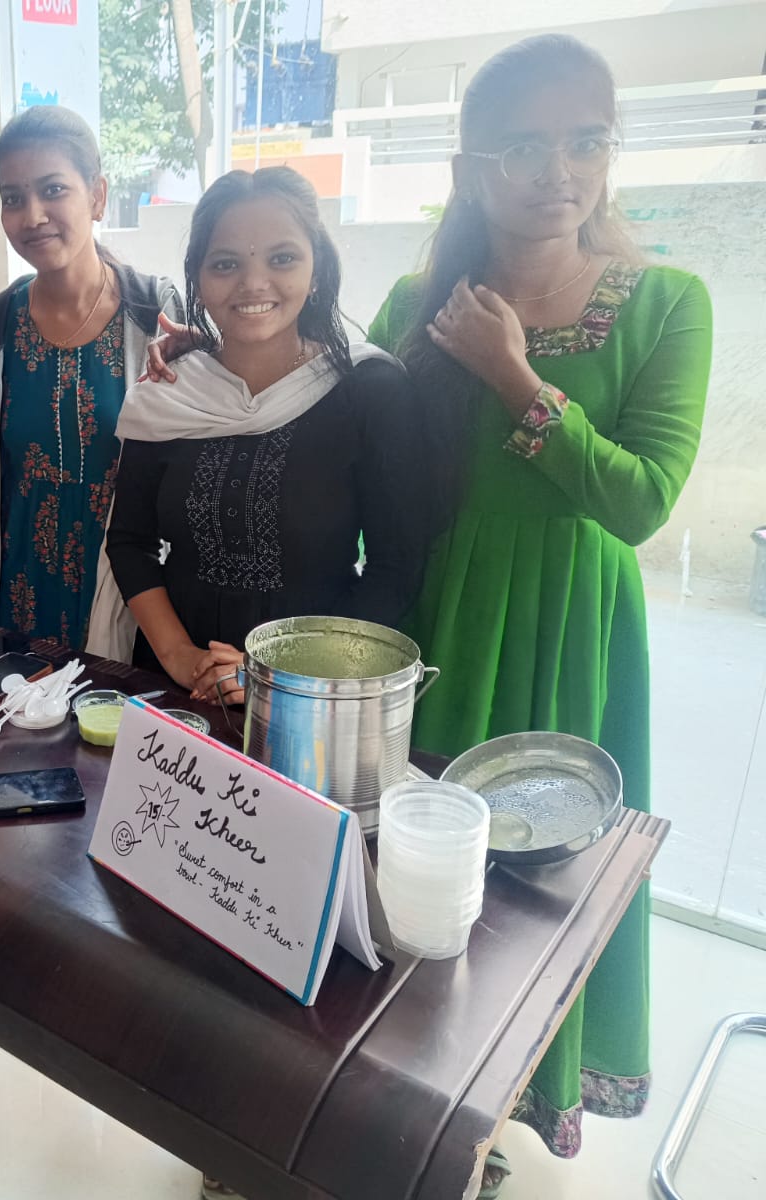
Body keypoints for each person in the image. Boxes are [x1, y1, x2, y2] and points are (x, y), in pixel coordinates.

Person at [367, 34, 711, 1195]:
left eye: (584, 140)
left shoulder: (666, 301)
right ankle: (396, 1093)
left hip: (571, 630)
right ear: (470, 167)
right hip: (433, 618)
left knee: (535, 878)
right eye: (522, 146)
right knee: (413, 861)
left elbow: (641, 502)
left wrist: (516, 380)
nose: (555, 171)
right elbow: (349, 435)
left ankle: (501, 1110)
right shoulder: (417, 300)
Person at [107, 167, 435, 704]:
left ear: (317, 268)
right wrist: (180, 657)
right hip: (179, 686)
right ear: (197, 276)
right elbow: (129, 542)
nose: (253, 283)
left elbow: (396, 569)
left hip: (315, 696)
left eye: (282, 258)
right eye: (225, 263)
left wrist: (283, 676)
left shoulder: (369, 391)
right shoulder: (169, 393)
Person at [0, 106, 181, 658]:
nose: (33, 216)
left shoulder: (157, 315)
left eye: (53, 190)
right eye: (13, 198)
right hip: (13, 603)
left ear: (97, 196)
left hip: (126, 603)